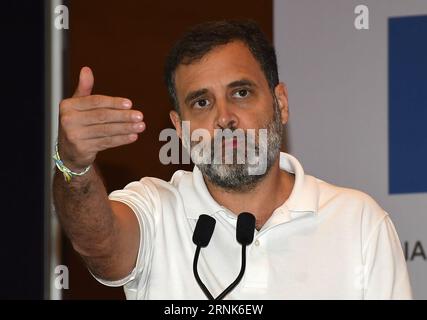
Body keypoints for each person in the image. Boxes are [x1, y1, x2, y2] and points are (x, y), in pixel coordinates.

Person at [53, 20, 412, 299]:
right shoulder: (157, 209)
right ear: (179, 127)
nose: (224, 118)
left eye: (241, 93)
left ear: (280, 104)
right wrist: (74, 165)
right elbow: (99, 244)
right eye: (202, 103)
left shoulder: (359, 222)